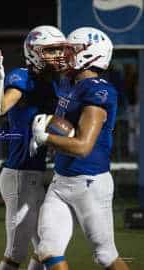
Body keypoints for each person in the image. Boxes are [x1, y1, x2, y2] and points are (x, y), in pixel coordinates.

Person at [31, 27, 130, 270]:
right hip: (61, 181)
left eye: (71, 50)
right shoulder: (68, 82)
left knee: (105, 256)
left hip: (90, 183)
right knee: (47, 248)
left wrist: (46, 138)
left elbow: (83, 146)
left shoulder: (98, 91)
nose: (65, 55)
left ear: (90, 54)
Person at [0, 25, 73, 270]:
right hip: (19, 174)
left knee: (45, 247)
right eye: (51, 50)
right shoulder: (21, 77)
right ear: (34, 52)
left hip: (37, 172)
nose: (58, 54)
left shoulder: (57, 83)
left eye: (60, 48)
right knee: (16, 251)